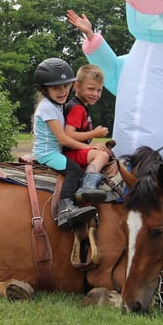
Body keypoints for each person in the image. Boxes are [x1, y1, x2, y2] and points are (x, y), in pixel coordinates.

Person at [32, 57, 105, 230]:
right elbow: (64, 139)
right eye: (56, 88)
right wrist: (89, 148)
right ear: (44, 89)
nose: (63, 91)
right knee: (74, 171)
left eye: (66, 86)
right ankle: (65, 207)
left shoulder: (56, 104)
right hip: (47, 154)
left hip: (52, 151)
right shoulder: (47, 108)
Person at [63, 64, 112, 201]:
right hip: (70, 153)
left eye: (99, 90)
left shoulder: (81, 107)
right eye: (90, 89)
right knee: (102, 156)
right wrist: (94, 134)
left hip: (75, 150)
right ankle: (87, 185)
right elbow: (68, 134)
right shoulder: (78, 108)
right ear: (77, 86)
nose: (95, 94)